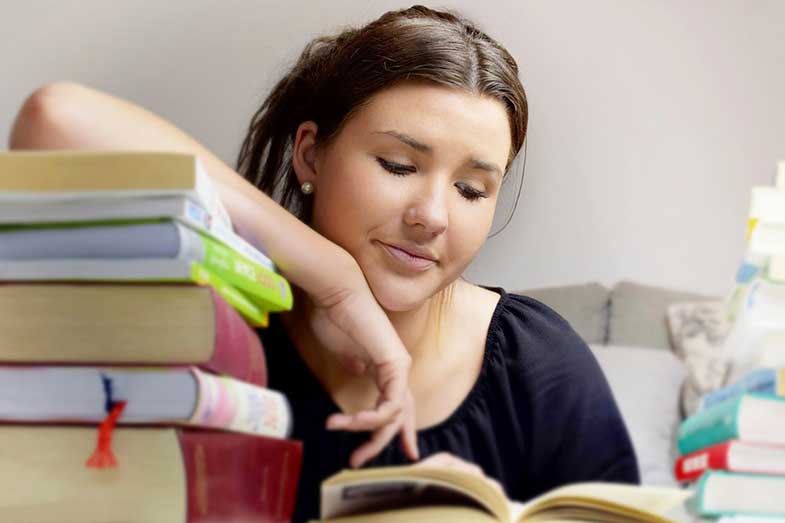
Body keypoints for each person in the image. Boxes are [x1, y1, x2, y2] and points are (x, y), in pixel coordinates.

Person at [9, 5, 639, 522]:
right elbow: (54, 119)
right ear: (309, 155)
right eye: (398, 165)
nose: (433, 215)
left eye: (472, 190)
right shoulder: (214, 328)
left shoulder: (538, 362)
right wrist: (333, 280)